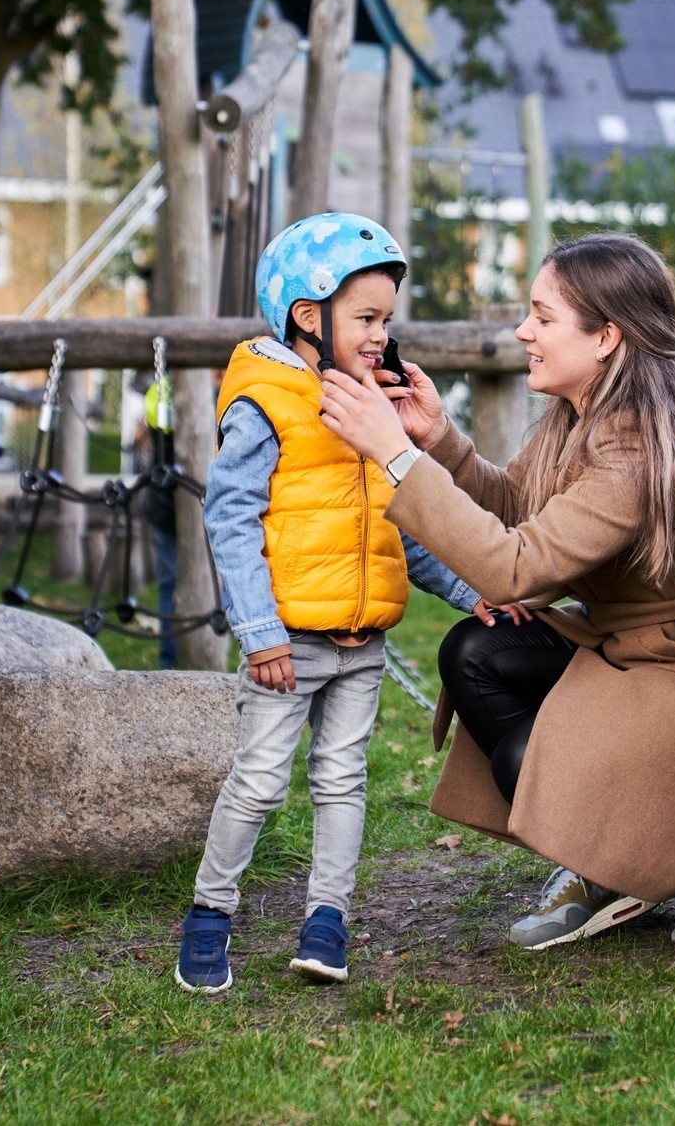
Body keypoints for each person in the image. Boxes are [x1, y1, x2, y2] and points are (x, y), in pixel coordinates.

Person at [317, 233, 675, 951]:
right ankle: (607, 862)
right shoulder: (578, 414)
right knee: (475, 651)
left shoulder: (635, 447)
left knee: (525, 762)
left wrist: (396, 456)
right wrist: (438, 439)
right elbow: (517, 509)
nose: (523, 331)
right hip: (627, 648)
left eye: (542, 316)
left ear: (606, 338)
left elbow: (513, 568)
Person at [174, 212, 487, 995]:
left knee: (343, 782)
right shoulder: (266, 403)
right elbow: (229, 520)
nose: (382, 333)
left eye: (387, 319)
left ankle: (327, 920)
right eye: (367, 318)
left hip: (362, 645)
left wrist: (473, 592)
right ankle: (210, 914)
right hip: (288, 645)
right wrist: (259, 634)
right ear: (308, 318)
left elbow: (401, 529)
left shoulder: (369, 403)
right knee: (258, 782)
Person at [137, 378, 179, 668]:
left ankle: (169, 659)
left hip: (163, 503)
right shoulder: (212, 396)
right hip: (184, 504)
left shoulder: (157, 393)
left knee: (168, 587)